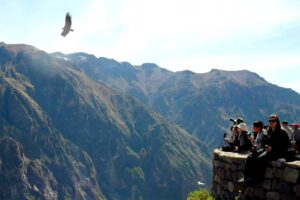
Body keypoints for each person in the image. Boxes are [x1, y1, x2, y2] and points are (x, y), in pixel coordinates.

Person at [238, 114, 291, 185]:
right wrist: (259, 147)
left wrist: (273, 148)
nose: (271, 122)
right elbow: (265, 142)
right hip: (267, 149)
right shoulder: (269, 131)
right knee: (251, 156)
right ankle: (246, 176)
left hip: (278, 151)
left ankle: (257, 179)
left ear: (277, 122)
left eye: (273, 121)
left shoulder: (282, 133)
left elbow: (287, 145)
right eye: (270, 121)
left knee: (260, 158)